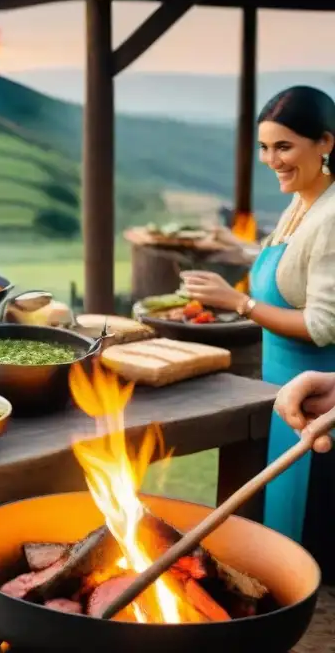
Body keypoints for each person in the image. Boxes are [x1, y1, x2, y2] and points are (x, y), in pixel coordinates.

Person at [181, 86, 335, 578]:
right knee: (282, 534)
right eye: (265, 148)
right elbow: (290, 268)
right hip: (281, 394)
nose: (272, 160)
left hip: (317, 402)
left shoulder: (332, 217)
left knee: (309, 552)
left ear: (325, 142)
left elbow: (320, 325)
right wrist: (234, 245)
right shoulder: (303, 203)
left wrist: (239, 302)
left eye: (284, 146)